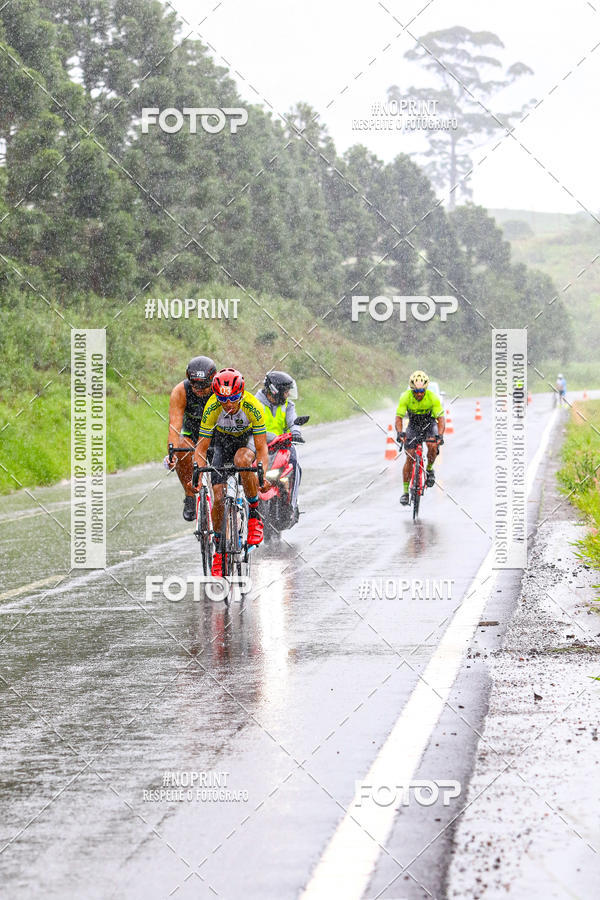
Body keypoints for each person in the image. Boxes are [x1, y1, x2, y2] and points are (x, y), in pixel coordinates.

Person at [193, 368, 269, 576]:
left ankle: (254, 514)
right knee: (218, 496)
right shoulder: (212, 408)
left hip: (247, 440)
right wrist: (199, 471)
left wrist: (262, 474)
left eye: (233, 398)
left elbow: (262, 449)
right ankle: (219, 549)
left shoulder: (252, 406)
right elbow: (200, 449)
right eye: (223, 400)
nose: (228, 404)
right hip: (222, 442)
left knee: (242, 460)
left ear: (241, 393)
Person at [167, 355, 217, 521]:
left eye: (204, 386)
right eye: (195, 385)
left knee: (221, 492)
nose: (199, 390)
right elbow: (174, 427)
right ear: (189, 379)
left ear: (213, 380)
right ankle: (189, 495)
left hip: (219, 437)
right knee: (180, 447)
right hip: (193, 435)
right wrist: (171, 452)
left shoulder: (220, 388)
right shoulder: (180, 391)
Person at [255, 370, 304, 518]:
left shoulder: (288, 405)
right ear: (275, 391)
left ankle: (292, 505)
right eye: (285, 391)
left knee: (295, 465)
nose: (287, 394)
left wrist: (296, 433)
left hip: (282, 446)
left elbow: (293, 421)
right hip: (258, 445)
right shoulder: (254, 403)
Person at [395, 370, 445, 506]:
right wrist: (400, 433)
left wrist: (440, 435)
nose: (419, 394)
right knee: (410, 457)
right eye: (415, 392)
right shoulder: (405, 397)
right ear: (411, 390)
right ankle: (405, 492)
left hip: (429, 424)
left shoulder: (432, 397)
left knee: (433, 446)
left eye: (421, 391)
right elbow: (399, 417)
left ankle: (429, 469)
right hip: (413, 426)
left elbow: (441, 418)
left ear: (426, 389)